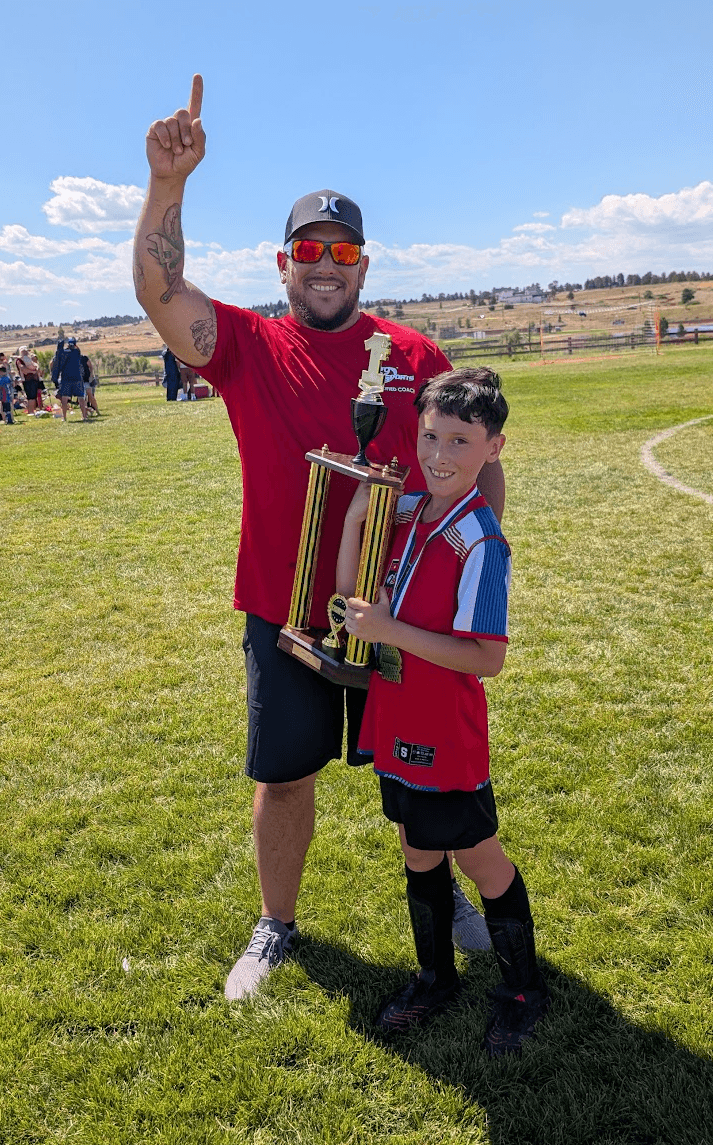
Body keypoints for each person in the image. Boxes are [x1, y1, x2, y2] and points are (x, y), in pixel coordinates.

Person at [133, 75, 505, 1003]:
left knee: (423, 768)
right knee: (285, 773)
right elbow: (160, 290)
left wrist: (486, 560)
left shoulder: (415, 357)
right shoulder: (248, 345)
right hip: (284, 603)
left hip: (401, 615)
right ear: (283, 262)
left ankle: (452, 893)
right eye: (310, 248)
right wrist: (166, 185)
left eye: (343, 249)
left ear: (364, 266)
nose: (326, 262)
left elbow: (480, 459)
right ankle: (277, 924)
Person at [336, 369, 550, 1056]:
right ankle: (434, 978)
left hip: (444, 730)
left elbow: (486, 657)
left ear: (493, 446)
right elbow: (350, 597)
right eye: (430, 435)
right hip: (394, 716)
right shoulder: (407, 514)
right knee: (415, 846)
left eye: (460, 440)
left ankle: (523, 990)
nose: (439, 454)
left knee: (476, 857)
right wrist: (352, 519)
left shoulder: (479, 541)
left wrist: (392, 632)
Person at [51, 336, 88, 422]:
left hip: (66, 379)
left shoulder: (63, 353)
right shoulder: (77, 352)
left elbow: (57, 358)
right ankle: (84, 416)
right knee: (81, 398)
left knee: (64, 399)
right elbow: (77, 349)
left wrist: (60, 346)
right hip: (77, 378)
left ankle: (64, 417)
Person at [15, 347, 43, 415]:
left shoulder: (28, 359)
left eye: (26, 351)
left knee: (34, 396)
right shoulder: (19, 360)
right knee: (31, 397)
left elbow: (36, 367)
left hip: (34, 380)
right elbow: (23, 369)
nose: (26, 352)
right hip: (28, 380)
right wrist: (33, 371)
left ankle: (33, 411)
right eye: (24, 351)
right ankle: (30, 412)